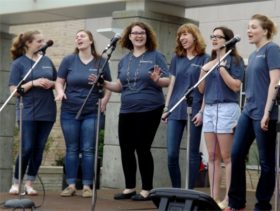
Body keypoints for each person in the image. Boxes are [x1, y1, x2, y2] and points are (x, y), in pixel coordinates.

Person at [101, 21, 170, 201]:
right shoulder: (124, 60)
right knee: (126, 149)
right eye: (134, 33)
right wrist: (104, 83)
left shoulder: (156, 56)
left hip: (150, 108)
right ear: (129, 37)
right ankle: (129, 187)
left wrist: (158, 80)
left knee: (142, 147)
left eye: (142, 33)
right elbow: (120, 85)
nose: (138, 36)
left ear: (147, 36)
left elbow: (169, 80)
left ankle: (147, 189)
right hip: (127, 109)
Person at [226, 14, 280, 211]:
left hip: (264, 112)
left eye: (253, 27)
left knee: (266, 161)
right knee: (236, 154)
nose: (249, 31)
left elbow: (274, 83)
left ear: (265, 30)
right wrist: (243, 114)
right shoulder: (251, 56)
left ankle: (262, 204)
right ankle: (236, 202)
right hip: (248, 111)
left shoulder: (273, 50)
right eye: (248, 27)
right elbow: (251, 87)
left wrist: (267, 111)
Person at [55, 29, 112, 198]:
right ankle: (71, 185)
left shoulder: (101, 61)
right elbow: (59, 81)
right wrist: (60, 92)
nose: (78, 38)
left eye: (82, 36)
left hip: (91, 112)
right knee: (72, 148)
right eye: (76, 36)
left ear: (90, 41)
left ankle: (87, 185)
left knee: (88, 149)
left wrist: (104, 101)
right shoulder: (68, 60)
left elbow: (108, 84)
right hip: (69, 110)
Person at [198, 26, 244, 209]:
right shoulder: (208, 62)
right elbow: (201, 90)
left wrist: (222, 69)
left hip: (227, 108)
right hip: (209, 108)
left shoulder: (236, 61)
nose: (215, 39)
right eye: (213, 36)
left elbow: (235, 87)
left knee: (227, 156)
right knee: (212, 155)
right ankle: (212, 198)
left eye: (219, 37)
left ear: (228, 40)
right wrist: (204, 69)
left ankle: (229, 198)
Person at [8, 30, 57, 196]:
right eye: (39, 41)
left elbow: (57, 82)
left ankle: (29, 183)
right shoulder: (19, 63)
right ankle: (16, 182)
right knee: (27, 147)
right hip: (27, 111)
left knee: (38, 148)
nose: (43, 44)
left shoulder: (47, 61)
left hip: (48, 111)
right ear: (28, 43)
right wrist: (33, 83)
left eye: (43, 41)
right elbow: (14, 91)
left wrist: (51, 83)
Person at [161, 23, 209, 189]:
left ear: (195, 36)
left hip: (195, 109)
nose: (182, 38)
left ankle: (189, 191)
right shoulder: (177, 58)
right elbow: (172, 83)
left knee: (193, 154)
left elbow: (207, 88)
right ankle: (176, 189)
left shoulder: (205, 58)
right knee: (172, 154)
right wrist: (166, 108)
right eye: (180, 35)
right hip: (175, 109)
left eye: (186, 34)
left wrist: (202, 111)